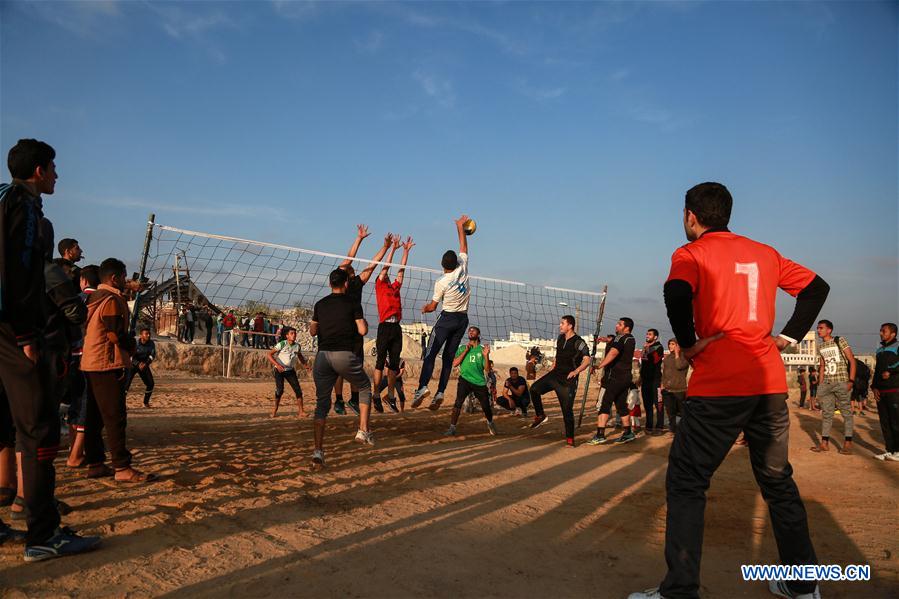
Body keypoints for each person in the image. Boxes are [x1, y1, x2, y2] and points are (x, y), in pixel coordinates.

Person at [628, 182, 828, 599]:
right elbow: (816, 288)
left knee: (687, 481)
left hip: (719, 383)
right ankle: (802, 585)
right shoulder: (765, 253)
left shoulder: (690, 253)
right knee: (777, 482)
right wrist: (789, 338)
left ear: (690, 216)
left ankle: (680, 590)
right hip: (769, 385)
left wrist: (687, 341)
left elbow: (676, 291)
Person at [0, 138, 101, 560]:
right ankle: (43, 534)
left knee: (7, 425)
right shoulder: (25, 209)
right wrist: (26, 336)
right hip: (12, 330)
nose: (58, 175)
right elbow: (16, 273)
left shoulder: (4, 198)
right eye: (54, 168)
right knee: (39, 428)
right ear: (39, 171)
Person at [82, 258, 156, 484]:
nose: (127, 280)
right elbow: (115, 335)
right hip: (106, 362)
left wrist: (131, 288)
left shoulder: (97, 296)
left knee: (93, 417)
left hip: (91, 361)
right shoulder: (111, 300)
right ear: (114, 278)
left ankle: (95, 464)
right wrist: (132, 347)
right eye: (124, 277)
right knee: (115, 416)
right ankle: (122, 468)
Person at [310, 268, 372, 469]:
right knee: (364, 386)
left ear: (330, 284)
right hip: (343, 355)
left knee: (321, 405)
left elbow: (312, 331)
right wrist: (365, 325)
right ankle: (362, 430)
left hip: (322, 357)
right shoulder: (352, 302)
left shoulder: (320, 304)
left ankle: (318, 451)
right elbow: (362, 330)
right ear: (346, 284)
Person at [413, 215, 473, 410]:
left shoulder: (441, 282)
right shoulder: (463, 268)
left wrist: (425, 308)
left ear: (442, 265)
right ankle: (440, 392)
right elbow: (463, 246)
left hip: (447, 319)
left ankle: (422, 388)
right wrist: (460, 228)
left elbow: (432, 307)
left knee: (430, 354)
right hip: (462, 320)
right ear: (456, 262)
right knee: (448, 358)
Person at [335, 225, 394, 416]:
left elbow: (365, 262)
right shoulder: (348, 281)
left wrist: (361, 239)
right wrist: (383, 247)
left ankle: (342, 400)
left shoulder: (347, 283)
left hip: (348, 327)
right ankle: (345, 399)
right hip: (351, 327)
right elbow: (368, 263)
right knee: (351, 366)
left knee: (349, 366)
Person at [528, 315, 591, 447]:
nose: (560, 325)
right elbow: (559, 355)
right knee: (534, 389)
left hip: (568, 380)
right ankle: (540, 415)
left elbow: (587, 360)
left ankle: (570, 439)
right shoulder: (561, 338)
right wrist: (553, 366)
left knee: (566, 410)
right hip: (555, 375)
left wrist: (576, 371)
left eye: (562, 323)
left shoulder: (579, 342)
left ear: (570, 326)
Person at [374, 236, 414, 413]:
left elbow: (401, 271)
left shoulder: (395, 287)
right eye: (386, 275)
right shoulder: (380, 284)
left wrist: (405, 251)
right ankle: (375, 394)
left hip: (396, 327)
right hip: (384, 326)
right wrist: (393, 249)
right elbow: (386, 267)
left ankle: (390, 396)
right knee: (380, 361)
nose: (389, 276)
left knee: (394, 365)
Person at [587, 318, 637, 445]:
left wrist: (599, 365)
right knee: (621, 406)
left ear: (627, 328)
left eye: (619, 324)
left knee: (605, 404)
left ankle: (600, 434)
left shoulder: (621, 338)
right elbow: (614, 342)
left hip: (616, 377)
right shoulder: (630, 339)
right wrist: (605, 339)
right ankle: (628, 433)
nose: (616, 326)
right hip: (625, 378)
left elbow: (613, 352)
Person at [810, 320, 856, 454]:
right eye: (818, 328)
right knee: (826, 414)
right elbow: (822, 366)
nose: (819, 330)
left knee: (846, 413)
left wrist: (851, 381)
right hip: (827, 384)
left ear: (829, 330)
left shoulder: (839, 340)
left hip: (842, 381)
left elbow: (852, 360)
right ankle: (824, 443)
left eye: (821, 328)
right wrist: (820, 385)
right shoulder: (821, 346)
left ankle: (848, 443)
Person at [445, 326, 497, 437]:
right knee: (458, 403)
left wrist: (486, 355)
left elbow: (487, 369)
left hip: (479, 382)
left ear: (478, 334)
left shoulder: (482, 350)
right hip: (465, 379)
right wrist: (466, 351)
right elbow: (454, 363)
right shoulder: (462, 348)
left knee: (486, 406)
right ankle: (452, 427)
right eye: (469, 330)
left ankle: (490, 423)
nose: (470, 331)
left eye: (473, 330)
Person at [267, 327, 310, 418]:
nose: (294, 335)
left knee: (298, 390)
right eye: (291, 333)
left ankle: (301, 412)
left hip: (290, 371)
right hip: (279, 371)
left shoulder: (297, 346)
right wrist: (277, 365)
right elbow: (269, 354)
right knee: (280, 390)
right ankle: (274, 410)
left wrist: (305, 365)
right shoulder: (282, 344)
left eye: (295, 333)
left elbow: (300, 356)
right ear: (287, 336)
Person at [872, 322, 899, 461]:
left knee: (896, 421)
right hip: (881, 392)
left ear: (893, 334)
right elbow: (877, 370)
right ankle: (890, 450)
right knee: (885, 422)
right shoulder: (879, 350)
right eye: (881, 330)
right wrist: (874, 387)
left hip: (895, 390)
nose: (881, 333)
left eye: (884, 331)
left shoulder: (897, 347)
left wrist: (891, 371)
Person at [660, 338, 688, 435]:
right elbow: (664, 373)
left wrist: (677, 354)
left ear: (678, 346)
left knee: (682, 412)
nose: (670, 346)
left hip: (680, 389)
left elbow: (679, 366)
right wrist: (662, 384)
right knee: (670, 412)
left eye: (673, 344)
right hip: (668, 390)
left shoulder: (685, 357)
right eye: (669, 344)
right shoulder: (667, 358)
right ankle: (672, 430)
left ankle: (684, 430)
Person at [640, 328, 665, 434]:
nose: (647, 336)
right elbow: (644, 363)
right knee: (647, 404)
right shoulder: (645, 347)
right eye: (647, 334)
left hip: (656, 380)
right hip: (645, 381)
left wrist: (647, 350)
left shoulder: (659, 347)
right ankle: (649, 426)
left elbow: (655, 360)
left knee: (658, 404)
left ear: (655, 337)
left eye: (649, 334)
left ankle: (659, 427)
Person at [126, 327, 156, 408]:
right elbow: (130, 356)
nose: (148, 335)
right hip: (132, 365)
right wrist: (138, 363)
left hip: (144, 365)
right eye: (146, 334)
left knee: (150, 384)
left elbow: (152, 355)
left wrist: (145, 364)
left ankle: (145, 403)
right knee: (126, 385)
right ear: (141, 335)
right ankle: (121, 404)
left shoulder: (151, 343)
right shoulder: (135, 343)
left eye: (149, 334)